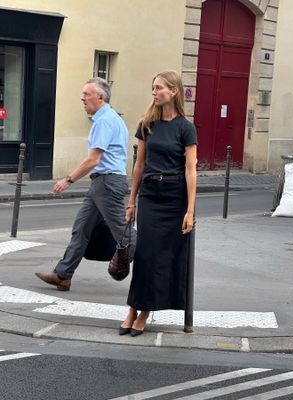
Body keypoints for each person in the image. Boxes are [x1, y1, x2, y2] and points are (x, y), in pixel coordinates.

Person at [35, 77, 136, 291]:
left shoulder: (104, 120)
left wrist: (67, 179)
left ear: (100, 97)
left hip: (108, 183)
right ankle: (63, 275)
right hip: (102, 183)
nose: (82, 98)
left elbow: (93, 159)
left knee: (123, 234)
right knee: (81, 230)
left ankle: (153, 263)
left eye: (86, 94)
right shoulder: (110, 117)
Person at [119, 70, 197, 337]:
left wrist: (190, 210)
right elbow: (139, 164)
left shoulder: (186, 127)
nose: (154, 92)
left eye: (159, 87)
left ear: (173, 91)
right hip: (150, 194)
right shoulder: (147, 124)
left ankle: (145, 310)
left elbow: (190, 169)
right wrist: (131, 202)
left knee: (164, 257)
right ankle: (132, 307)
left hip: (175, 197)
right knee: (145, 254)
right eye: (153, 87)